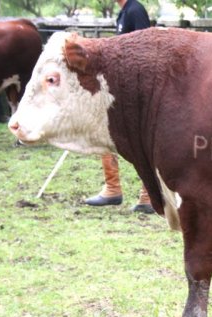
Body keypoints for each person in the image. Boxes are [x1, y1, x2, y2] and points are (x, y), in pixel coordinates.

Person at [85, 0, 153, 213]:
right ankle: (112, 188)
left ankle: (148, 195)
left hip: (135, 87)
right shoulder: (124, 12)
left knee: (142, 139)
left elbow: (144, 48)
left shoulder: (135, 10)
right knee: (106, 130)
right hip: (120, 85)